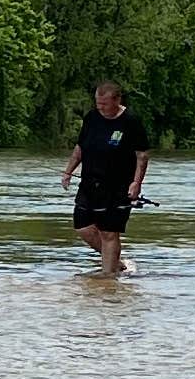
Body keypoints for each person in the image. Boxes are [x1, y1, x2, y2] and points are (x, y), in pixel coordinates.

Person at [59, 79, 152, 272]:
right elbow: (80, 148)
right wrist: (68, 171)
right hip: (89, 183)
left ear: (117, 100)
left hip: (118, 187)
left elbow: (141, 156)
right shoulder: (92, 117)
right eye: (98, 103)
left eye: (105, 104)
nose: (100, 107)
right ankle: (116, 262)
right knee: (83, 228)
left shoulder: (131, 121)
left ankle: (108, 279)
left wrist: (136, 183)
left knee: (109, 233)